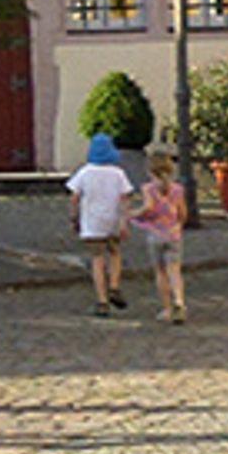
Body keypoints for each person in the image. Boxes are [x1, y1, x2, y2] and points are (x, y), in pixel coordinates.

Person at [67, 132, 135, 317]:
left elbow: (74, 197)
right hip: (112, 220)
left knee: (97, 258)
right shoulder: (118, 174)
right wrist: (124, 221)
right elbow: (125, 197)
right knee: (115, 253)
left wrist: (74, 218)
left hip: (92, 223)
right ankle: (114, 285)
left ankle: (102, 300)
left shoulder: (85, 172)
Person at [133, 151, 189, 324]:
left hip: (155, 235)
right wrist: (179, 225)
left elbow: (148, 207)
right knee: (175, 270)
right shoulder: (177, 190)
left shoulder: (148, 189)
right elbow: (183, 213)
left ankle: (167, 308)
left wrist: (133, 214)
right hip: (173, 234)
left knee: (160, 272)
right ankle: (179, 301)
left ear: (150, 171)